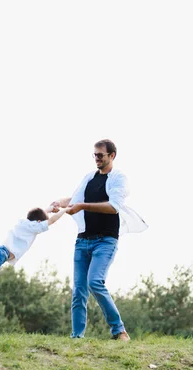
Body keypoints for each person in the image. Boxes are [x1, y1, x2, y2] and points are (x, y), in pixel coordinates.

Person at [51, 139, 148, 341]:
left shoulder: (119, 179)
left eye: (100, 155)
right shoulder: (89, 178)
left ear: (112, 156)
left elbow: (114, 206)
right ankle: (76, 337)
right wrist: (61, 202)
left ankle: (119, 331)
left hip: (105, 241)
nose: (97, 158)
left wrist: (83, 206)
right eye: (95, 155)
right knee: (79, 290)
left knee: (94, 282)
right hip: (83, 241)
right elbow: (76, 200)